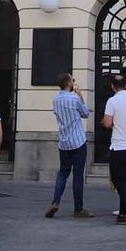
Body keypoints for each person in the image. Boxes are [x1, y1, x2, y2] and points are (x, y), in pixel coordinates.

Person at [47, 73, 93, 219]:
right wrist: (80, 95)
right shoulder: (74, 98)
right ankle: (78, 209)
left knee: (63, 173)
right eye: (73, 80)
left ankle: (55, 201)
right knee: (78, 175)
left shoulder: (56, 100)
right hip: (78, 141)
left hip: (64, 142)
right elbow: (85, 114)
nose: (74, 82)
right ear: (69, 83)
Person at [102, 73, 126, 224]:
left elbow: (107, 123)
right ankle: (123, 215)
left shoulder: (112, 101)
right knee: (125, 179)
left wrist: (110, 122)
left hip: (119, 146)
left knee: (118, 180)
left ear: (112, 86)